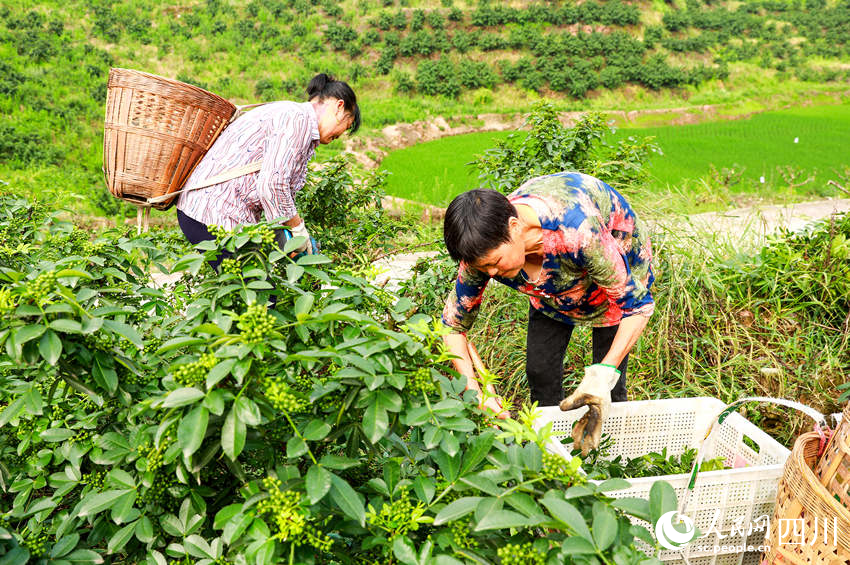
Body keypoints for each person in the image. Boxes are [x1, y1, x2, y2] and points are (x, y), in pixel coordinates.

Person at [441, 171, 655, 454]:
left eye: (495, 263)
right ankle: (549, 452)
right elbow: (453, 326)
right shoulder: (483, 251)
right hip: (550, 289)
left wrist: (605, 371)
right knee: (540, 371)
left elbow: (637, 307)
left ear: (515, 226)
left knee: (608, 390)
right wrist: (474, 390)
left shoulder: (578, 232)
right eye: (484, 268)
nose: (491, 274)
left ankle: (612, 458)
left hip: (612, 281)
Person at [175, 73, 360, 268]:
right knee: (261, 292)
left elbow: (275, 191)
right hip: (212, 213)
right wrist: (297, 229)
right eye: (347, 125)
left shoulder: (297, 121)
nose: (342, 134)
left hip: (217, 214)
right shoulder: (296, 119)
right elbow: (272, 185)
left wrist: (288, 235)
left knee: (257, 286)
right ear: (339, 107)